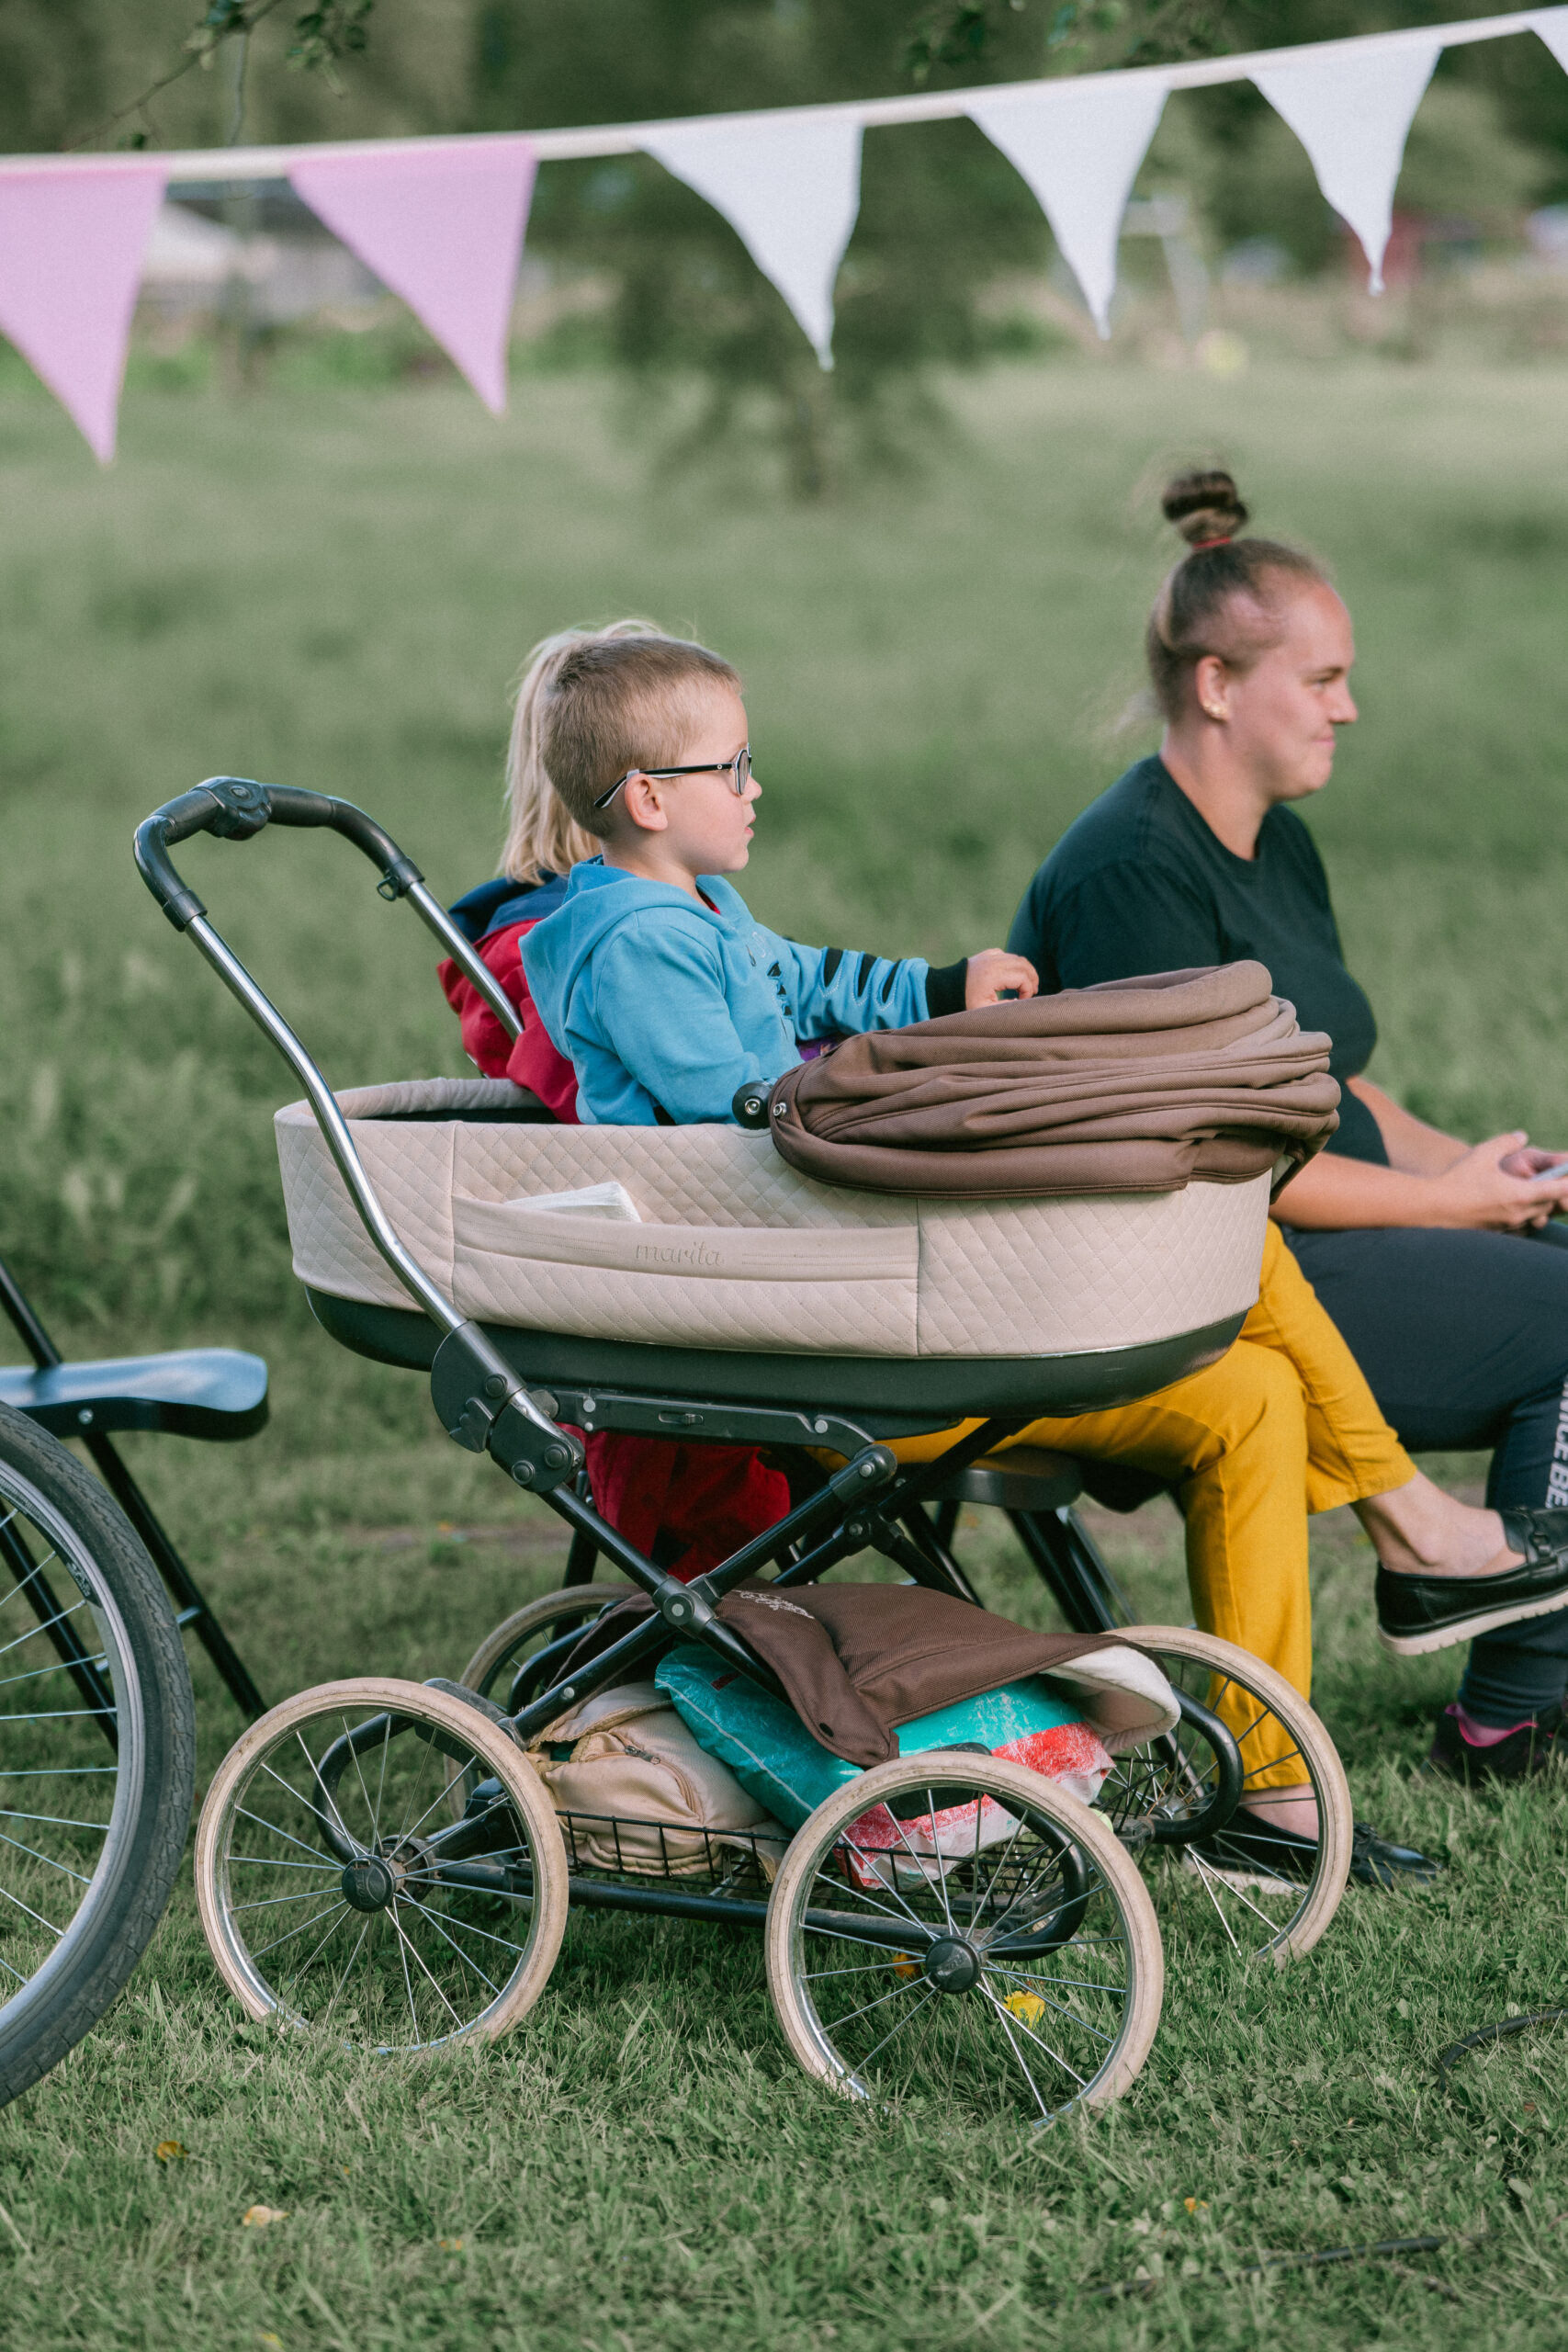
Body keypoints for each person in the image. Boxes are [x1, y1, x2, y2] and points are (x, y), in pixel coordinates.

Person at [513, 628, 1560, 1881]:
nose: (754, 787)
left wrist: (942, 992)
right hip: (822, 1343)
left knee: (1252, 1394)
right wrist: (918, 1099)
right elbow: (741, 1128)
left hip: (871, 1297)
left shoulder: (700, 910)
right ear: (647, 798)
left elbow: (811, 980)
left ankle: (1272, 1801)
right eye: (731, 767)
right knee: (1223, 1224)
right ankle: (1422, 1534)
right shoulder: (633, 946)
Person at [1008, 468, 1568, 1785]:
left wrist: (1486, 1171)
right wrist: (1453, 1208)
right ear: (1216, 686)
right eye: (1321, 680)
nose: (1347, 708)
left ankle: (1522, 1665)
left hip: (1324, 1242)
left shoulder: (1274, 841)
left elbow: (1333, 1086)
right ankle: (1513, 1710)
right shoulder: (1132, 874)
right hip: (1217, 1284)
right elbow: (1219, 1171)